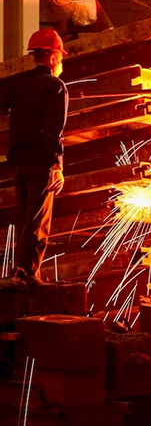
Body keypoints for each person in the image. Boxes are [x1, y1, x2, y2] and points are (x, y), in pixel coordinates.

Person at [0, 29, 69, 282]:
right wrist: (56, 165)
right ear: (52, 57)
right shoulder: (56, 86)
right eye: (60, 57)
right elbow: (54, 131)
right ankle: (28, 275)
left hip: (18, 163)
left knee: (25, 220)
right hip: (41, 164)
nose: (61, 62)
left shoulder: (18, 84)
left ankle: (21, 271)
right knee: (38, 222)